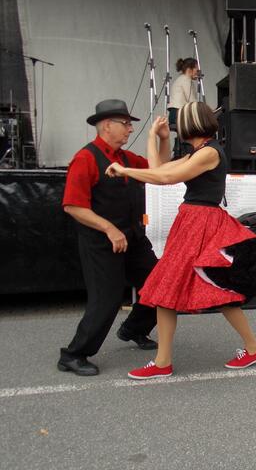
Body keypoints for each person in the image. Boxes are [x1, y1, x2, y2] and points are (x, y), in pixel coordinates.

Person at [105, 102, 256, 379]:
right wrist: (156, 138)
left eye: (179, 122)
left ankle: (248, 349)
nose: (176, 126)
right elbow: (158, 170)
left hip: (200, 223)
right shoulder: (200, 152)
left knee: (201, 287)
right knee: (180, 288)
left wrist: (125, 170)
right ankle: (165, 361)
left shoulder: (209, 153)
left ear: (191, 124)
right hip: (193, 222)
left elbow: (165, 177)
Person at [58, 99, 158, 377]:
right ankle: (73, 354)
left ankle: (134, 329)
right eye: (125, 124)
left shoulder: (126, 159)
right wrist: (109, 229)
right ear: (106, 126)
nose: (129, 129)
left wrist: (161, 138)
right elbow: (73, 206)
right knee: (107, 299)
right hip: (102, 242)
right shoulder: (85, 158)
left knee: (160, 283)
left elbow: (156, 169)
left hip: (132, 238)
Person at [168, 58, 198, 158]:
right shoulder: (185, 80)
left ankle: (180, 151)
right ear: (189, 69)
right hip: (179, 115)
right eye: (196, 69)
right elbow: (192, 101)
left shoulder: (181, 79)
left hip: (175, 114)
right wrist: (206, 110)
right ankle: (186, 153)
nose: (197, 72)